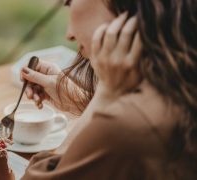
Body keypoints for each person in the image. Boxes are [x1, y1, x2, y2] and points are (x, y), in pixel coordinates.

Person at [20, 0, 197, 179]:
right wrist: (84, 100)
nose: (69, 34)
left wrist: (103, 100)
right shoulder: (180, 89)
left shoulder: (126, 129)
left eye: (69, 2)